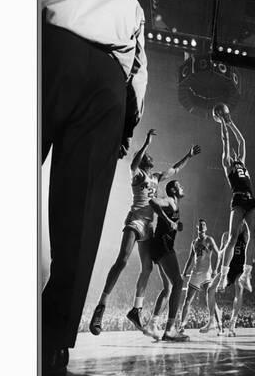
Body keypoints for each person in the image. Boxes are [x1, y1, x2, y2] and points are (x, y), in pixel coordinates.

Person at [41, 0, 148, 376]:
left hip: (48, 47)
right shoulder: (129, 0)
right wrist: (125, 126)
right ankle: (52, 342)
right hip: (108, 83)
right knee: (80, 222)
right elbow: (140, 72)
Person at [89, 130, 200, 335]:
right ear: (142, 162)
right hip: (136, 220)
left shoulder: (156, 177)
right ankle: (101, 306)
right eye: (146, 157)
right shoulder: (138, 174)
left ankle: (136, 309)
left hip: (149, 226)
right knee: (122, 260)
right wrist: (146, 143)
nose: (150, 158)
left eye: (149, 155)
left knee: (147, 269)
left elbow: (174, 169)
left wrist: (189, 155)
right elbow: (132, 165)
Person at [216, 115, 255, 293]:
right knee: (233, 237)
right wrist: (223, 125)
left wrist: (231, 122)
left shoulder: (242, 162)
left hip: (251, 199)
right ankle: (222, 276)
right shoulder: (228, 164)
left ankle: (246, 274)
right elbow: (226, 141)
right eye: (232, 153)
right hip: (238, 199)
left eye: (236, 153)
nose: (235, 153)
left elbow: (241, 140)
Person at [144, 181, 190, 341]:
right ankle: (170, 329)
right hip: (162, 245)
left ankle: (153, 324)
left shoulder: (174, 204)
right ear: (173, 190)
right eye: (180, 185)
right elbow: (152, 202)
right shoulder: (170, 200)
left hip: (158, 246)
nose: (183, 187)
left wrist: (175, 224)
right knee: (178, 282)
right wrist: (170, 221)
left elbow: (170, 223)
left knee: (168, 288)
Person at [200, 223, 249, 336]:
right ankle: (212, 320)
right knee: (210, 289)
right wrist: (217, 271)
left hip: (240, 268)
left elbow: (252, 254)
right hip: (228, 268)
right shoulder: (226, 235)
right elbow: (221, 255)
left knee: (239, 286)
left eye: (242, 222)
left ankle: (232, 323)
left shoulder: (246, 235)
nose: (239, 224)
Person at [178, 220, 221, 332]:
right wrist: (184, 272)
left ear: (206, 228)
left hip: (206, 273)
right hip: (195, 273)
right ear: (198, 227)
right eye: (200, 224)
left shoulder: (209, 240)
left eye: (204, 225)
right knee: (187, 300)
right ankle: (181, 326)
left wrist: (215, 269)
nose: (202, 226)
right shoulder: (194, 242)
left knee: (210, 299)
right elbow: (190, 259)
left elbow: (219, 255)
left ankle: (219, 325)